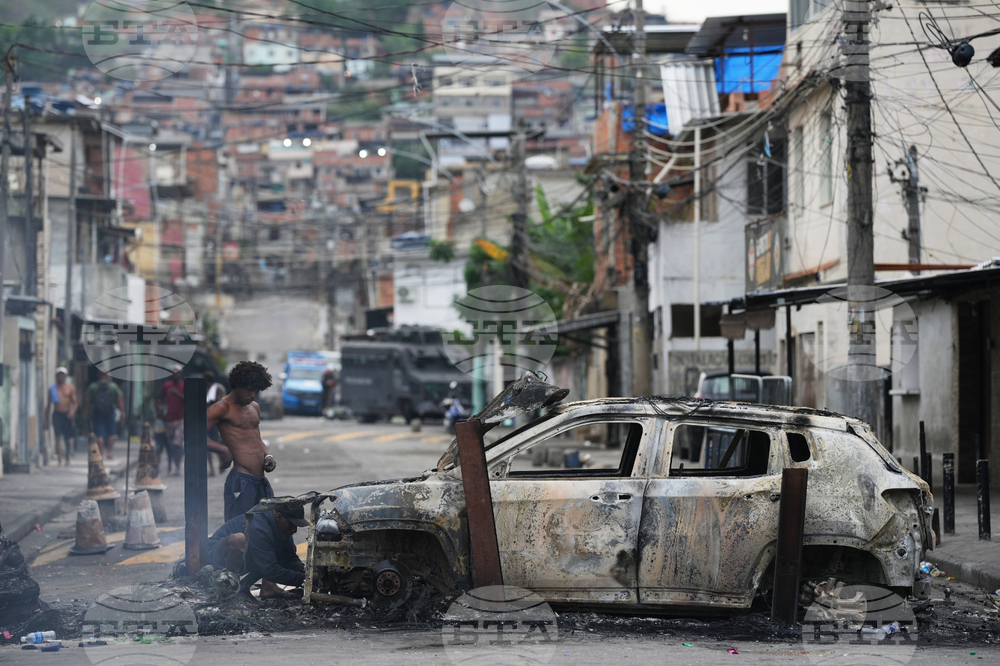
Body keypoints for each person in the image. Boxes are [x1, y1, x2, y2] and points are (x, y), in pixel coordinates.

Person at [206, 360, 276, 522]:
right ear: (237, 385)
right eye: (249, 390)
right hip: (241, 481)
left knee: (266, 526)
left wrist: (267, 456)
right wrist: (223, 450)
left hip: (261, 481)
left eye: (256, 391)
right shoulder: (222, 408)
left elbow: (257, 439)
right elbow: (194, 437)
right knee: (239, 528)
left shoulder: (255, 407)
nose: (253, 395)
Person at [206, 503, 308, 599]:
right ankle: (231, 590)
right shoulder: (259, 527)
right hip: (214, 558)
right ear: (278, 516)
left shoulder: (281, 527)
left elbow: (289, 559)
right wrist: (304, 580)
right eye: (291, 524)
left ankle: (249, 589)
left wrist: (308, 574)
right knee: (239, 539)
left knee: (277, 551)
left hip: (246, 556)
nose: (294, 530)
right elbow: (270, 571)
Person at [84, 372, 124, 459]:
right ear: (107, 376)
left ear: (98, 375)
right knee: (112, 433)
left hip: (97, 412)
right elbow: (119, 399)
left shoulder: (93, 386)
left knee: (100, 435)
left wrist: (86, 410)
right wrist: (122, 411)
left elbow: (87, 399)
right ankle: (109, 452)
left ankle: (101, 453)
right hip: (110, 412)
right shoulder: (113, 386)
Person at [46, 367, 78, 466]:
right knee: (58, 437)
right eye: (59, 375)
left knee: (67, 438)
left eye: (63, 375)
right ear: (56, 376)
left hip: (66, 415)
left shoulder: (70, 388)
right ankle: (60, 460)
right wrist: (46, 419)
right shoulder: (52, 389)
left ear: (65, 376)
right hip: (57, 414)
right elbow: (48, 405)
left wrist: (72, 412)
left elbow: (75, 402)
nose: (61, 377)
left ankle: (67, 456)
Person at [159, 365, 185, 476]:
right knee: (170, 445)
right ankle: (171, 465)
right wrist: (160, 410)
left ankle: (178, 466)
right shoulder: (167, 386)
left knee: (177, 444)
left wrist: (177, 394)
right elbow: (160, 399)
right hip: (169, 419)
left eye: (177, 373)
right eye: (173, 373)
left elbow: (188, 399)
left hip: (180, 418)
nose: (175, 375)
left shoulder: (184, 385)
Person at [205, 370, 226, 477]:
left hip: (216, 420)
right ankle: (212, 468)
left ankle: (221, 463)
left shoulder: (217, 388)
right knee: (207, 444)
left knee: (216, 442)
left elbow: (218, 403)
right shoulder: (206, 389)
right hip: (207, 419)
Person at [153, 396, 169, 465]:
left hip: (165, 431)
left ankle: (169, 465)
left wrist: (161, 410)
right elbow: (157, 416)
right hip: (157, 431)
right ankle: (158, 463)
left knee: (168, 449)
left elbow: (165, 417)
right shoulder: (154, 410)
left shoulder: (166, 409)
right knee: (158, 448)